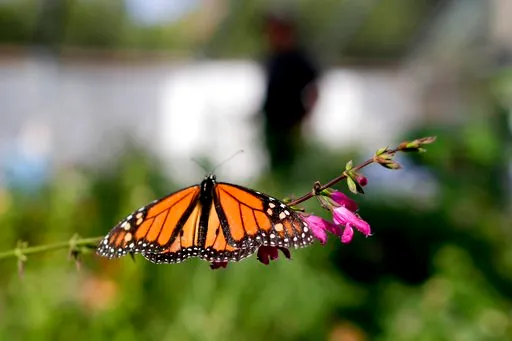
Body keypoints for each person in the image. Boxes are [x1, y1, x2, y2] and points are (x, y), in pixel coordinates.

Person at [261, 12, 319, 175]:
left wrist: (306, 117)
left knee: (291, 165)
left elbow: (313, 89)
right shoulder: (272, 56)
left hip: (291, 123)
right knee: (275, 164)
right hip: (272, 121)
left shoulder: (299, 58)